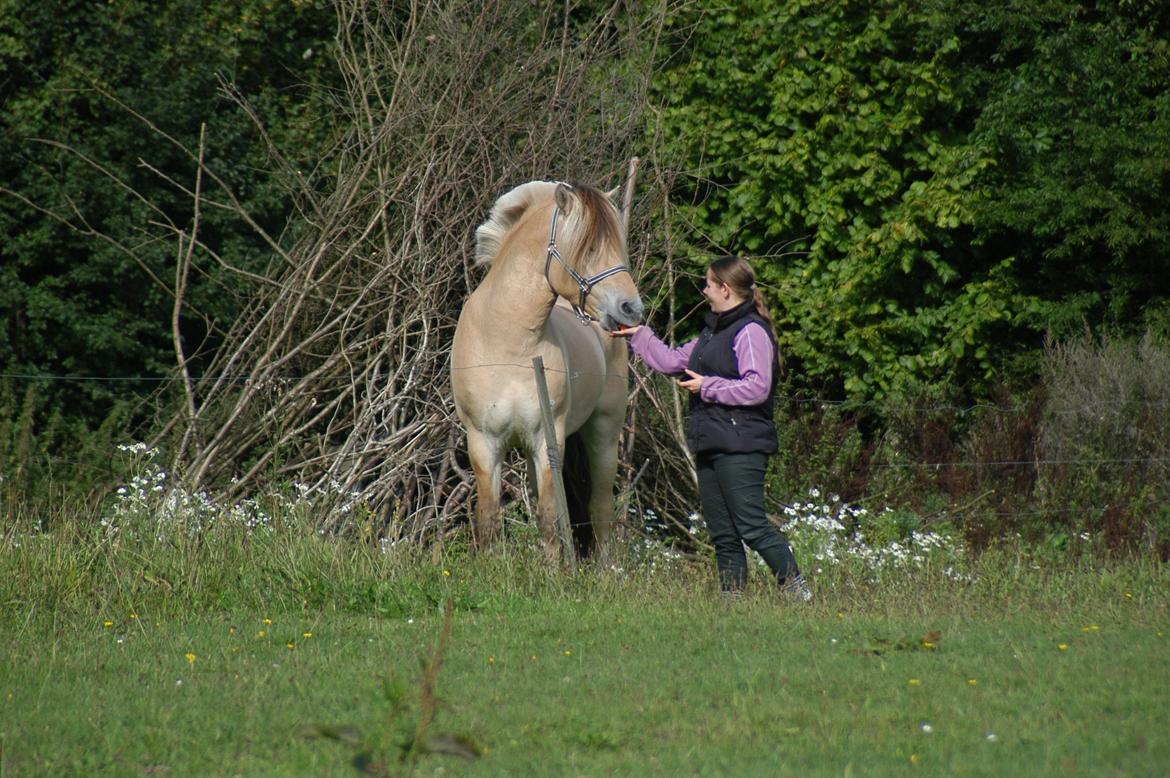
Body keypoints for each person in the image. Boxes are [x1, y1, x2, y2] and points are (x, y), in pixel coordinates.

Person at [612, 255, 811, 600]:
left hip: (742, 444)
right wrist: (639, 335)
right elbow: (672, 361)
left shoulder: (751, 331)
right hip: (711, 441)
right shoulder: (711, 332)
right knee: (722, 531)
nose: (704, 290)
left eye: (708, 284)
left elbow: (757, 387)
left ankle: (796, 589)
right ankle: (732, 600)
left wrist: (707, 386)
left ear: (725, 288)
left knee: (752, 526)